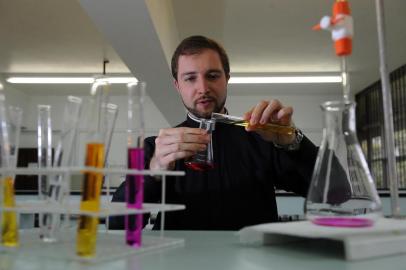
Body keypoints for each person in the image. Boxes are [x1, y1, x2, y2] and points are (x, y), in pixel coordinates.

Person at [110, 35, 318, 230]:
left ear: (226, 77)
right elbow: (117, 224)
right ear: (177, 86)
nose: (203, 88)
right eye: (190, 78)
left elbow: (336, 193)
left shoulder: (263, 139)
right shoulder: (156, 148)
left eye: (212, 76)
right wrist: (153, 172)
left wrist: (293, 142)